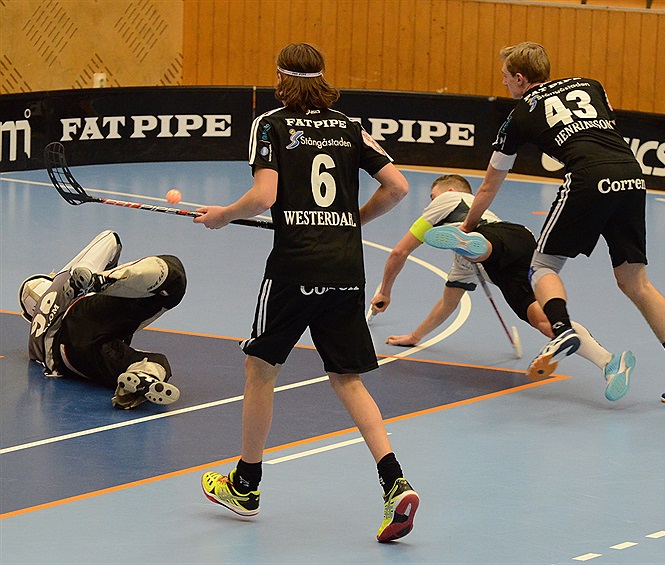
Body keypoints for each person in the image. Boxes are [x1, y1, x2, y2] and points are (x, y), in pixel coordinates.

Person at [194, 43, 418, 542]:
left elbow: (264, 196)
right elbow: (399, 187)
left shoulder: (270, 125)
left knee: (260, 368)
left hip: (294, 267)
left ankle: (245, 485)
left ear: (280, 79)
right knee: (348, 379)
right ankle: (394, 482)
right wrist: (351, 222)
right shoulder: (350, 126)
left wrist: (222, 216)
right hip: (345, 266)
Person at [426, 42, 665, 405]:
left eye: (506, 77)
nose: (504, 84)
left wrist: (468, 226)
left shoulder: (520, 114)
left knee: (542, 266)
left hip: (588, 177)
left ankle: (561, 329)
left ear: (521, 78)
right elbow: (604, 131)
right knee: (635, 281)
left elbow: (490, 184)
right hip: (632, 175)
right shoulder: (591, 84)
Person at [371, 174, 634, 400]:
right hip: (515, 257)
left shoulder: (450, 199)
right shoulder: (461, 263)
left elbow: (399, 252)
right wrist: (415, 336)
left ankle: (474, 245)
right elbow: (448, 303)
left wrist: (384, 291)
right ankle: (610, 363)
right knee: (544, 322)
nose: (430, 202)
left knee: (483, 246)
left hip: (497, 238)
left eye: (432, 196)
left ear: (448, 190)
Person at [19, 230, 186, 409]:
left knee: (154, 360)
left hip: (70, 360)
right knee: (174, 277)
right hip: (80, 316)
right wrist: (99, 276)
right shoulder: (61, 282)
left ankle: (141, 380)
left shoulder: (35, 346)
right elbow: (110, 239)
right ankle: (104, 280)